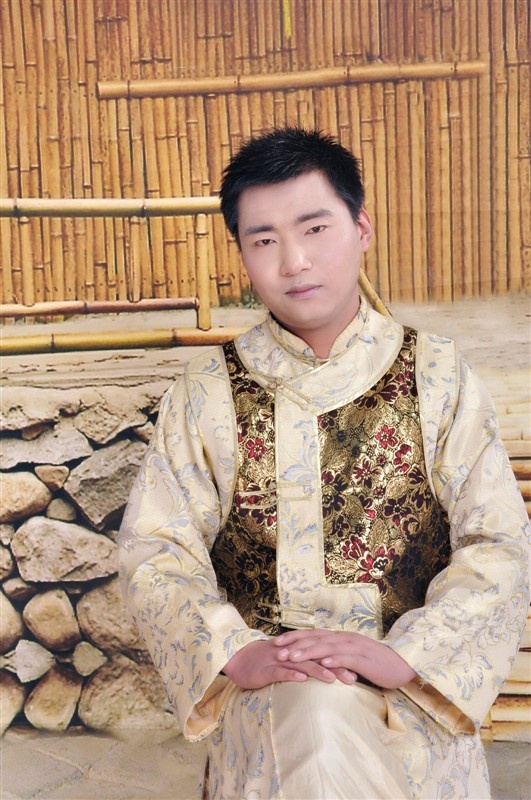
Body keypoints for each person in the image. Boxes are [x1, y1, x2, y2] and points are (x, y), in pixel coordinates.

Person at [118, 128, 530, 799]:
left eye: (314, 228)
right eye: (264, 240)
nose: (294, 261)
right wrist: (233, 652)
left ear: (361, 228)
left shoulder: (437, 375)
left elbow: (499, 544)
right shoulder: (204, 393)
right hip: (270, 698)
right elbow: (155, 550)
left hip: (408, 695)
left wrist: (407, 654)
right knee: (313, 718)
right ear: (242, 254)